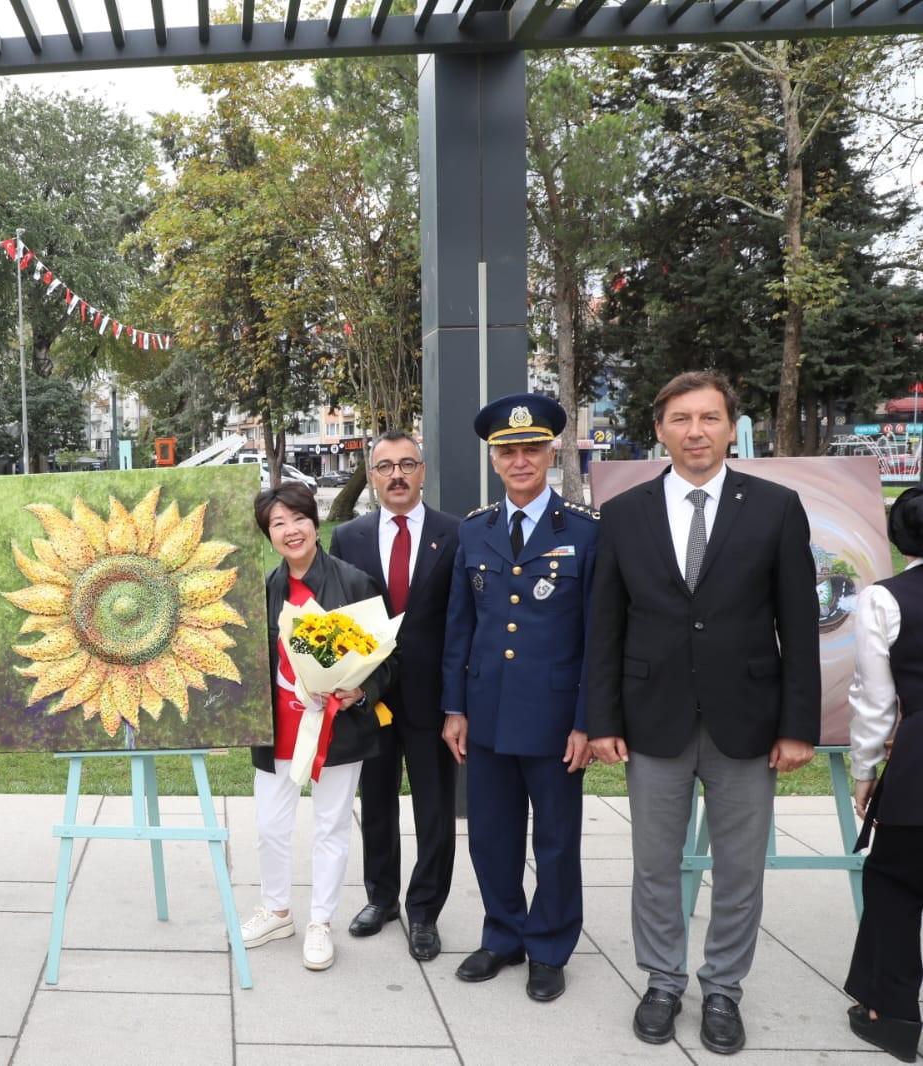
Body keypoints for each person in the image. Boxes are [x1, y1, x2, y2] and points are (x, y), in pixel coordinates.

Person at [587, 370, 819, 1055]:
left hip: (746, 720)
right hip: (651, 716)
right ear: (658, 429)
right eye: (680, 419)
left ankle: (721, 989)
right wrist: (601, 719)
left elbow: (798, 624)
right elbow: (606, 624)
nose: (695, 431)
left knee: (740, 868)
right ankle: (662, 982)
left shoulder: (776, 507)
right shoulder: (624, 512)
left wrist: (797, 725)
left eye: (708, 418)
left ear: (729, 427)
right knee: (654, 864)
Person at [442, 393, 598, 1005]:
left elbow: (596, 638)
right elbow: (462, 627)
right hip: (485, 714)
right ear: (493, 459)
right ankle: (503, 935)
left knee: (556, 837)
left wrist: (588, 721)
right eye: (508, 451)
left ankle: (550, 946)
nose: (521, 459)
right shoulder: (475, 530)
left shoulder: (584, 534)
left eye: (532, 447)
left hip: (556, 717)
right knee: (490, 836)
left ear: (552, 450)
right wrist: (454, 708)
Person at [242, 482, 387, 972]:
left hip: (335, 728)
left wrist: (360, 691)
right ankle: (276, 909)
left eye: (298, 519)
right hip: (277, 727)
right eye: (277, 524)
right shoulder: (263, 589)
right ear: (269, 536)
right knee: (270, 826)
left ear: (315, 523)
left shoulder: (354, 582)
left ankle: (320, 922)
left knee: (331, 826)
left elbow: (387, 658)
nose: (290, 530)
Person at [329, 430, 460, 960]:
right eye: (385, 467)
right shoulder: (350, 537)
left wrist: (458, 702)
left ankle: (425, 910)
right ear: (372, 475)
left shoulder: (455, 534)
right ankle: (381, 899)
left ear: (423, 471)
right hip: (370, 696)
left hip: (432, 697)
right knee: (376, 802)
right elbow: (338, 619)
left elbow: (461, 622)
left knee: (434, 808)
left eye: (407, 464)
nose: (397, 475)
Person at [844, 486, 923, 1063]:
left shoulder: (885, 599)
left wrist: (865, 770)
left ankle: (892, 1014)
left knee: (896, 880)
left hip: (919, 758)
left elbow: (874, 701)